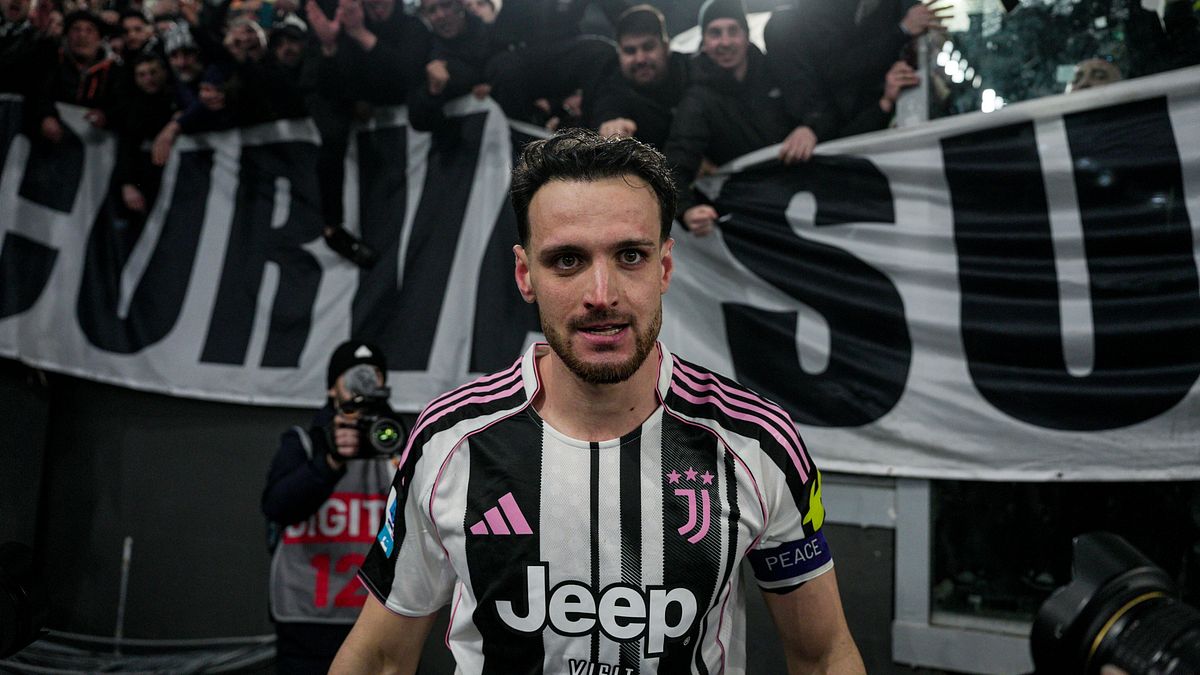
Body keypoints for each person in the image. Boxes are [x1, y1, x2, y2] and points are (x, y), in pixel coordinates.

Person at [330, 129, 865, 674]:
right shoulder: (449, 441)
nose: (601, 295)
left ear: (664, 267)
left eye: (630, 255)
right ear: (525, 275)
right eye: (567, 260)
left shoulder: (757, 442)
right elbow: (379, 659)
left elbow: (824, 657)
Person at [262, 340, 406, 674]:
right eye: (353, 376)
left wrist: (401, 465)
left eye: (374, 375)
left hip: (377, 616)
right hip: (306, 617)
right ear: (331, 388)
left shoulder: (398, 441)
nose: (365, 383)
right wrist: (329, 462)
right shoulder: (305, 442)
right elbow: (277, 507)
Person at [662, 0, 811, 238]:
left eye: (733, 31)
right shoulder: (697, 101)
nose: (725, 42)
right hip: (754, 213)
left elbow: (820, 108)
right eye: (715, 33)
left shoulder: (777, 71)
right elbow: (676, 163)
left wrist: (810, 128)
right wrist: (686, 210)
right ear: (704, 42)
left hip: (803, 195)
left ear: (747, 35)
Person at [591, 4, 691, 149]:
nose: (640, 59)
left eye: (648, 47)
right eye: (630, 51)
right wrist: (611, 126)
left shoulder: (690, 71)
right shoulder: (612, 86)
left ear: (666, 47)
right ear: (619, 54)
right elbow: (607, 107)